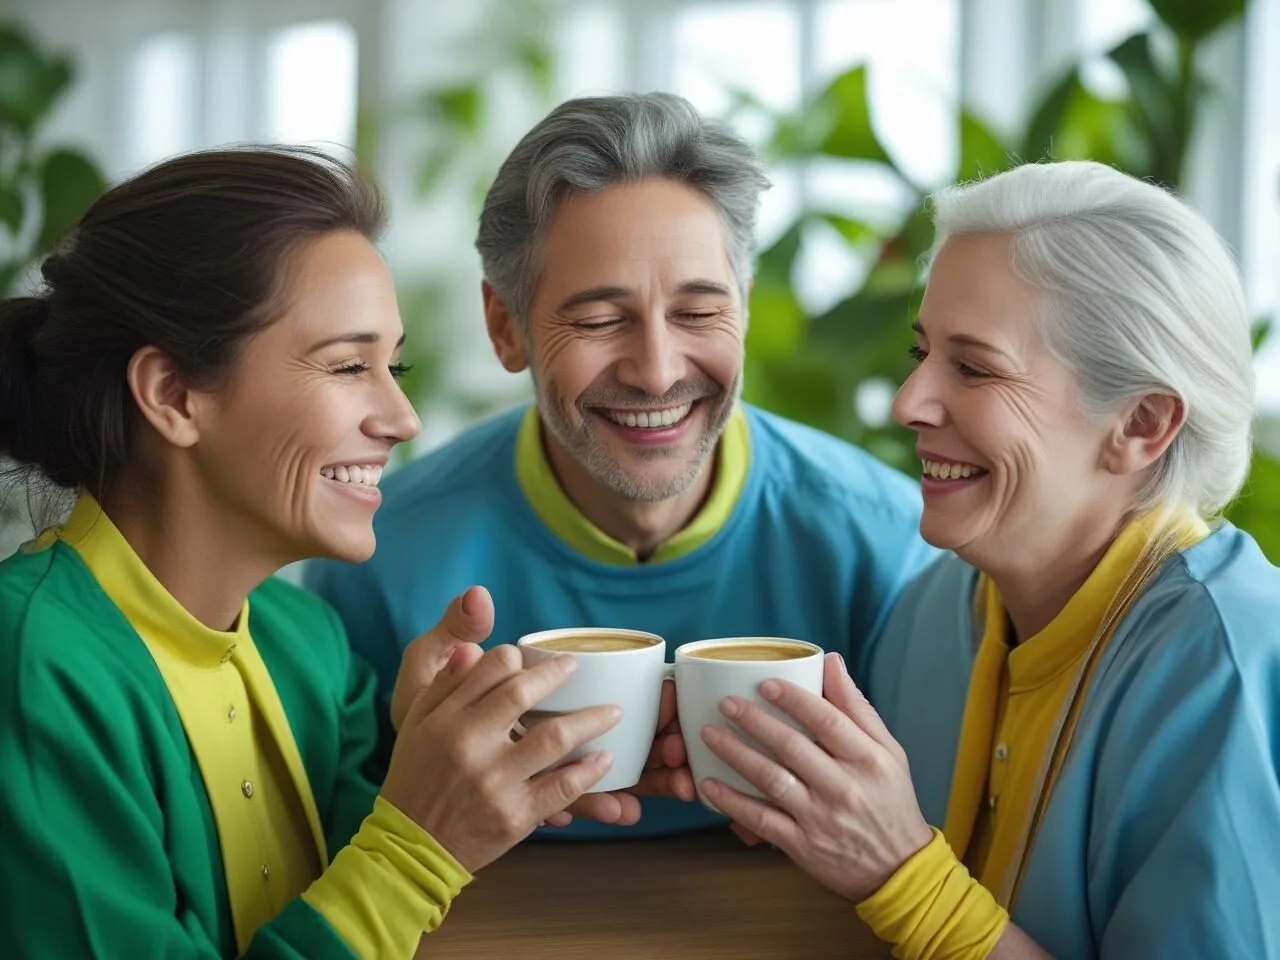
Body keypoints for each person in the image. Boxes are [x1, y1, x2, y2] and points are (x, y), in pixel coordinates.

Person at [0, 146, 625, 958]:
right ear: (173, 396)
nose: (402, 418)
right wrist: (413, 849)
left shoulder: (311, 647)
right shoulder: (31, 667)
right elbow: (391, 873)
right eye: (348, 365)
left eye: (391, 365)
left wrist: (452, 759)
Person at [304, 92, 937, 838]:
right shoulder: (378, 557)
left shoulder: (891, 543)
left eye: (698, 313)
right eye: (601, 321)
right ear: (506, 329)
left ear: (745, 304)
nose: (658, 372)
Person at [694, 160, 1280, 958]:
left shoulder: (1229, 659)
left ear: (1141, 422)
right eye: (923, 350)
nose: (907, 402)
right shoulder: (937, 607)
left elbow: (904, 883)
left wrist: (904, 880)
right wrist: (788, 799)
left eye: (973, 367)